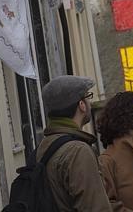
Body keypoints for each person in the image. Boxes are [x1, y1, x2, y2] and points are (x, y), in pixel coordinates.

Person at [37, 75, 112, 211]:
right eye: (88, 97)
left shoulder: (45, 144)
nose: (90, 103)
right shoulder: (78, 150)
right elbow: (93, 207)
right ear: (81, 105)